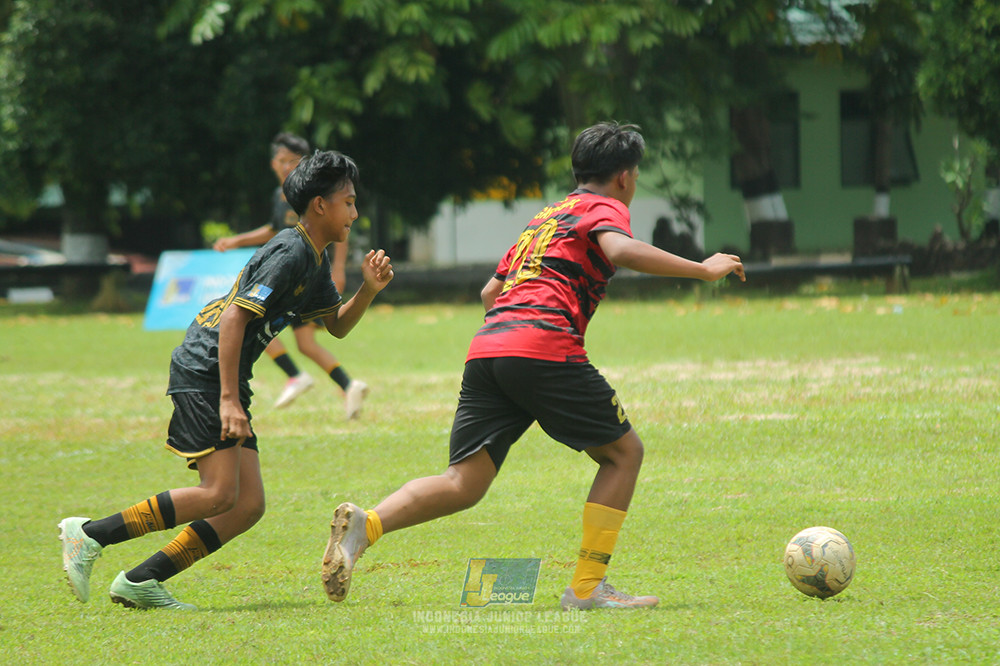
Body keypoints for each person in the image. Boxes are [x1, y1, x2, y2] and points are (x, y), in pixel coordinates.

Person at [320, 122, 745, 610]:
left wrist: (516, 346)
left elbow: (491, 292)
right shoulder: (605, 207)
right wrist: (702, 268)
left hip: (488, 349)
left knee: (464, 482)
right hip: (541, 346)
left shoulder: (545, 217)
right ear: (625, 177)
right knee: (624, 454)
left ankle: (367, 525)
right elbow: (621, 249)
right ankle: (587, 589)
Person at [59, 151, 393, 610]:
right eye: (349, 202)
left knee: (246, 504)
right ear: (320, 205)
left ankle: (141, 580)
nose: (355, 213)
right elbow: (235, 317)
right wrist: (230, 400)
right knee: (218, 493)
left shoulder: (313, 260)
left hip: (223, 372)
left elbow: (335, 324)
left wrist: (369, 290)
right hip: (207, 368)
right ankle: (90, 534)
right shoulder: (290, 250)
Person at [214, 132, 369, 418]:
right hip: (289, 278)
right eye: (281, 161)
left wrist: (341, 271)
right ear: (273, 163)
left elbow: (338, 232)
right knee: (284, 333)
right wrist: (237, 241)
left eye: (293, 161)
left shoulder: (314, 219)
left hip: (303, 279)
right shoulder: (283, 207)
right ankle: (341, 383)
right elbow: (274, 230)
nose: (286, 166)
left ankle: (303, 377)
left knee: (283, 332)